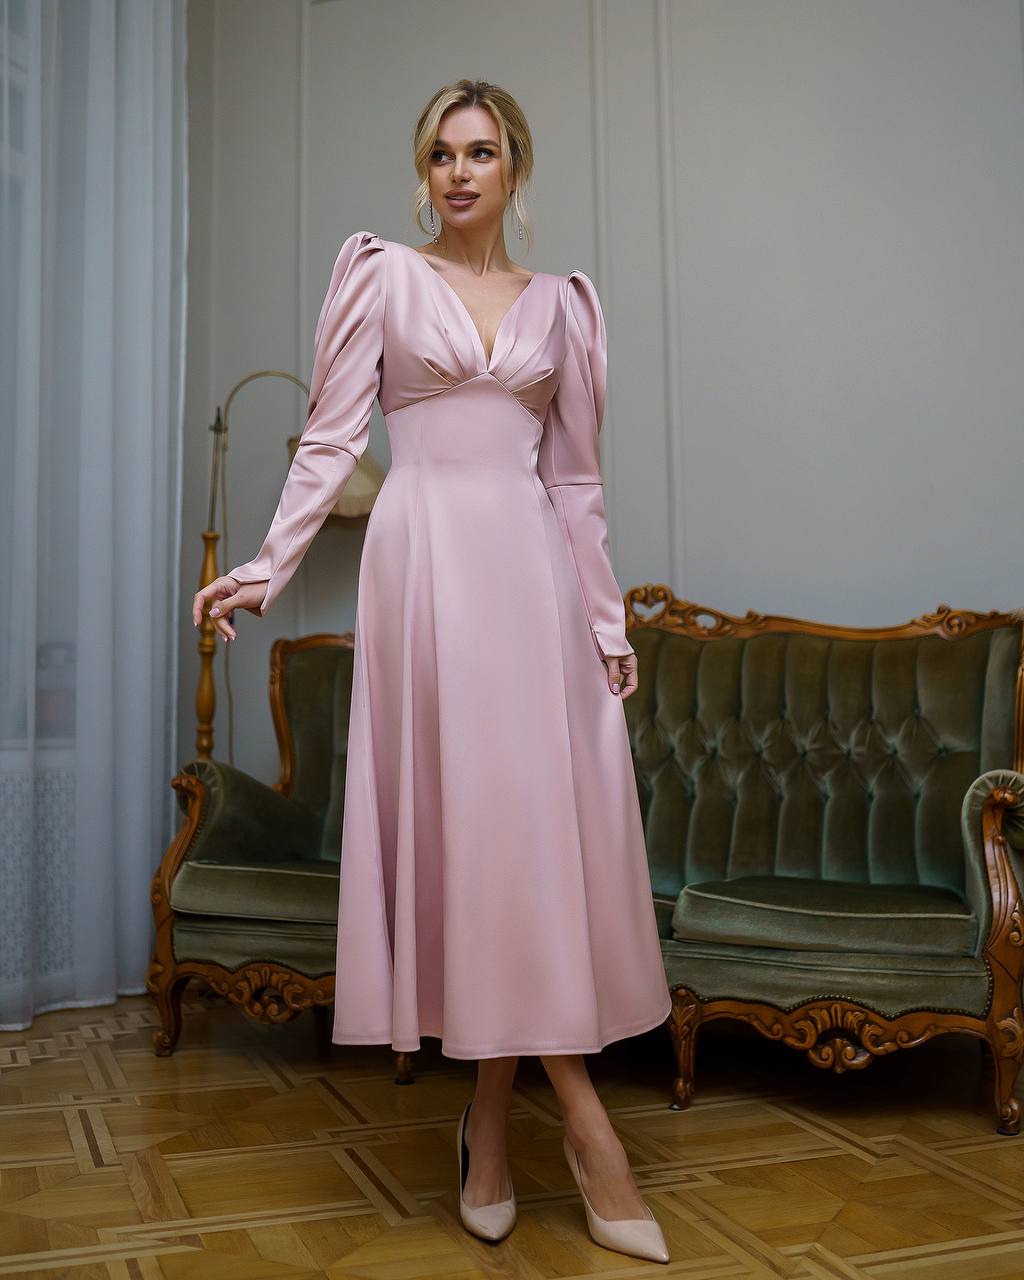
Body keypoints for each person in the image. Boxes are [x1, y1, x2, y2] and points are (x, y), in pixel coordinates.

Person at [192, 79, 671, 1265]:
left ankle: (492, 1127)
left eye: (484, 151)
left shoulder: (564, 305)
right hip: (424, 573)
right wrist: (263, 565)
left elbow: (575, 483)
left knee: (519, 849)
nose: (461, 171)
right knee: (472, 846)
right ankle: (587, 1127)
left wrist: (606, 624)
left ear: (515, 169)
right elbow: (331, 437)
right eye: (442, 153)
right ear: (424, 172)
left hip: (533, 588)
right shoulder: (383, 277)